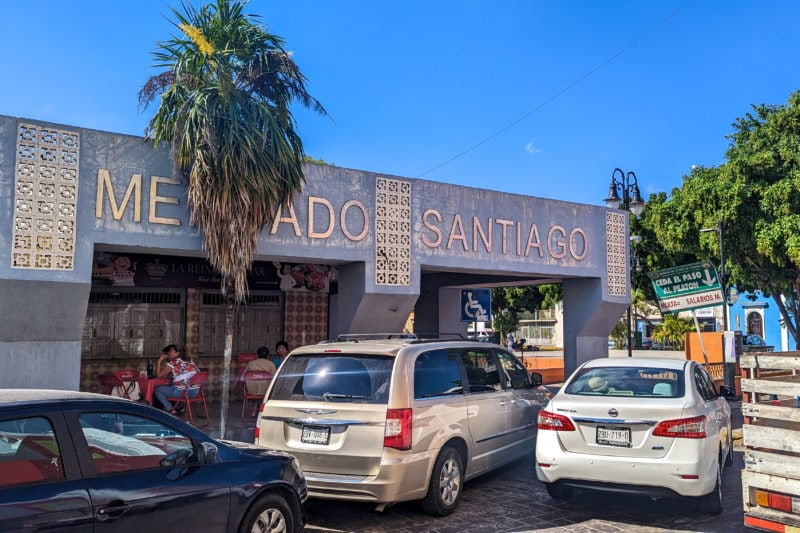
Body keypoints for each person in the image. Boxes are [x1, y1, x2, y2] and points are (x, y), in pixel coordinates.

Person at [154, 344, 199, 414]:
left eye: (171, 351)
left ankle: (171, 409)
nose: (169, 353)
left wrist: (159, 361)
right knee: (173, 386)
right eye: (169, 351)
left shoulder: (173, 362)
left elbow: (159, 376)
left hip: (184, 393)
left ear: (177, 353)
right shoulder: (190, 360)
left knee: (158, 390)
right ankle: (179, 408)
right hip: (196, 392)